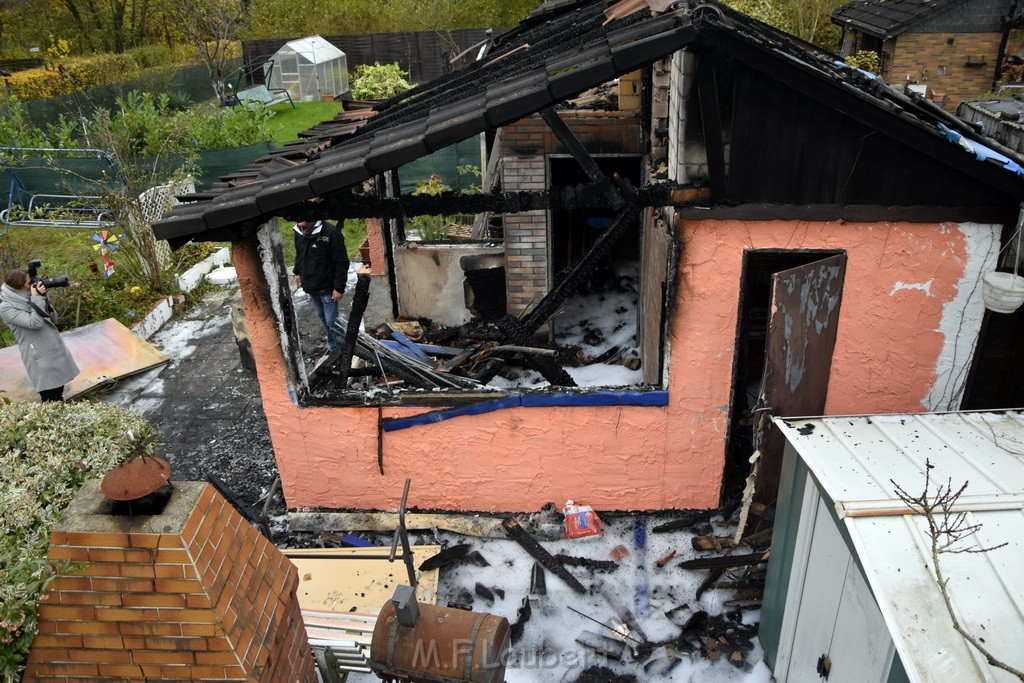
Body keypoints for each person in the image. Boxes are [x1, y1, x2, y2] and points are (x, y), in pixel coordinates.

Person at [0, 269, 80, 402]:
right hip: (38, 355)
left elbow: (53, 318)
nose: (32, 284)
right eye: (28, 283)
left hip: (53, 348)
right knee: (50, 396)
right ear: (18, 288)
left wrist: (44, 299)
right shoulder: (6, 307)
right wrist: (36, 298)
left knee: (59, 391)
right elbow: (34, 323)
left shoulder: (29, 296)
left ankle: (62, 417)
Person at [293, 219, 350, 353]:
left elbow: (341, 262)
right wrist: (297, 271)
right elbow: (299, 253)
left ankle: (342, 350)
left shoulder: (331, 233)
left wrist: (339, 288)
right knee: (324, 318)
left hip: (327, 288)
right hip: (311, 285)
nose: (297, 219)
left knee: (332, 322)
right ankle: (333, 346)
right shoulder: (299, 231)